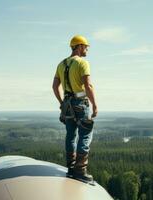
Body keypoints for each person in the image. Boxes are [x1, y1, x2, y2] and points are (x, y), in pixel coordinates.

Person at [52, 35, 98, 183]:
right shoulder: (82, 63)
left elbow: (54, 86)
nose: (87, 49)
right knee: (85, 135)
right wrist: (95, 104)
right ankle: (80, 170)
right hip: (80, 103)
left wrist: (61, 102)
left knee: (70, 135)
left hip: (67, 104)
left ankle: (71, 168)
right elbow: (88, 85)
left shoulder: (61, 64)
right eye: (85, 47)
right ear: (78, 46)